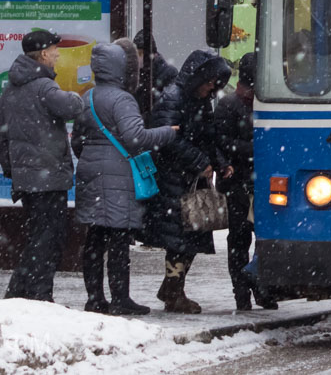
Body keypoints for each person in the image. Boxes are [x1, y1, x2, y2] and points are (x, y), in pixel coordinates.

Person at [72, 39, 177, 314]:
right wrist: (169, 132)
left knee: (95, 237)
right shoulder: (122, 99)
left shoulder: (88, 97)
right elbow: (136, 138)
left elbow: (77, 141)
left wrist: (94, 154)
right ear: (122, 68)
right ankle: (121, 299)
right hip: (117, 173)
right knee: (119, 238)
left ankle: (95, 298)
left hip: (89, 171)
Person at [139, 48, 232, 313]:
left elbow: (208, 135)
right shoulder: (173, 98)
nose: (212, 88)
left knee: (190, 237)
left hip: (188, 178)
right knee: (180, 239)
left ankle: (172, 287)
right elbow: (168, 139)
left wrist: (220, 161)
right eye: (209, 82)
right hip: (173, 178)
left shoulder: (197, 100)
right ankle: (173, 292)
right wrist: (199, 161)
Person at [0, 30, 83, 302]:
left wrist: (12, 168)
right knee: (49, 239)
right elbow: (71, 107)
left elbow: (3, 134)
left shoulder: (11, 87)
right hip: (48, 177)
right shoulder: (44, 86)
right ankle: (39, 296)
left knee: (37, 236)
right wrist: (81, 97)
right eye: (55, 50)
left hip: (28, 177)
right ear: (44, 54)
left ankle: (18, 293)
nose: (58, 54)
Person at [214, 51, 275, 311]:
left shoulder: (259, 104)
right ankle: (245, 291)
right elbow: (222, 142)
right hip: (241, 181)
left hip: (253, 182)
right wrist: (256, 148)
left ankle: (258, 288)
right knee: (243, 239)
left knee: (256, 239)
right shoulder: (230, 105)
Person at [133, 29, 178, 97]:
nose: (138, 57)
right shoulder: (134, 73)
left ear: (153, 54)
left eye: (141, 53)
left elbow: (169, 101)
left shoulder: (169, 73)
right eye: (136, 53)